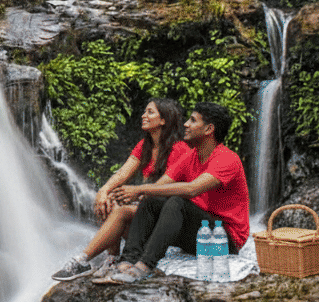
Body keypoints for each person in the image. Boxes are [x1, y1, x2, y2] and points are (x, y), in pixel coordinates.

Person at [93, 101, 250, 285]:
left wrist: (140, 189)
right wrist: (121, 196)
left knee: (177, 202)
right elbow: (158, 187)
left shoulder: (227, 158)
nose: (186, 124)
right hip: (199, 232)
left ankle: (144, 267)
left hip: (224, 240)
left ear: (209, 129)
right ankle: (126, 262)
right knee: (152, 200)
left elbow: (192, 189)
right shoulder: (191, 156)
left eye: (192, 120)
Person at [51, 98, 188, 281]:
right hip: (147, 215)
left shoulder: (179, 149)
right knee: (108, 202)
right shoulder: (145, 146)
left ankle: (82, 260)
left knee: (122, 211)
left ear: (163, 120)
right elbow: (123, 172)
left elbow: (162, 189)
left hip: (168, 220)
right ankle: (113, 258)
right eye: (144, 111)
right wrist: (103, 191)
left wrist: (136, 193)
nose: (143, 116)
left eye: (150, 112)